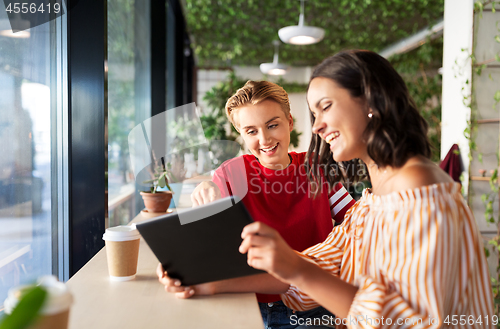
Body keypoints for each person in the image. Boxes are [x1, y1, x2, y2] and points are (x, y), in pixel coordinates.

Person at [239, 50, 495, 329]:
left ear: (371, 101)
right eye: (314, 114)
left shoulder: (418, 189)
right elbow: (321, 264)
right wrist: (211, 284)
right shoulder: (372, 202)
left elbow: (405, 322)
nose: (317, 126)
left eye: (326, 107)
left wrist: (297, 270)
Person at [158, 80, 355, 329]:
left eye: (272, 125)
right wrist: (176, 264)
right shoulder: (228, 176)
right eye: (251, 131)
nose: (264, 139)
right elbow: (206, 244)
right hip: (246, 303)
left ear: (290, 122)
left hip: (313, 305)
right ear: (241, 135)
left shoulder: (318, 168)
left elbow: (358, 226)